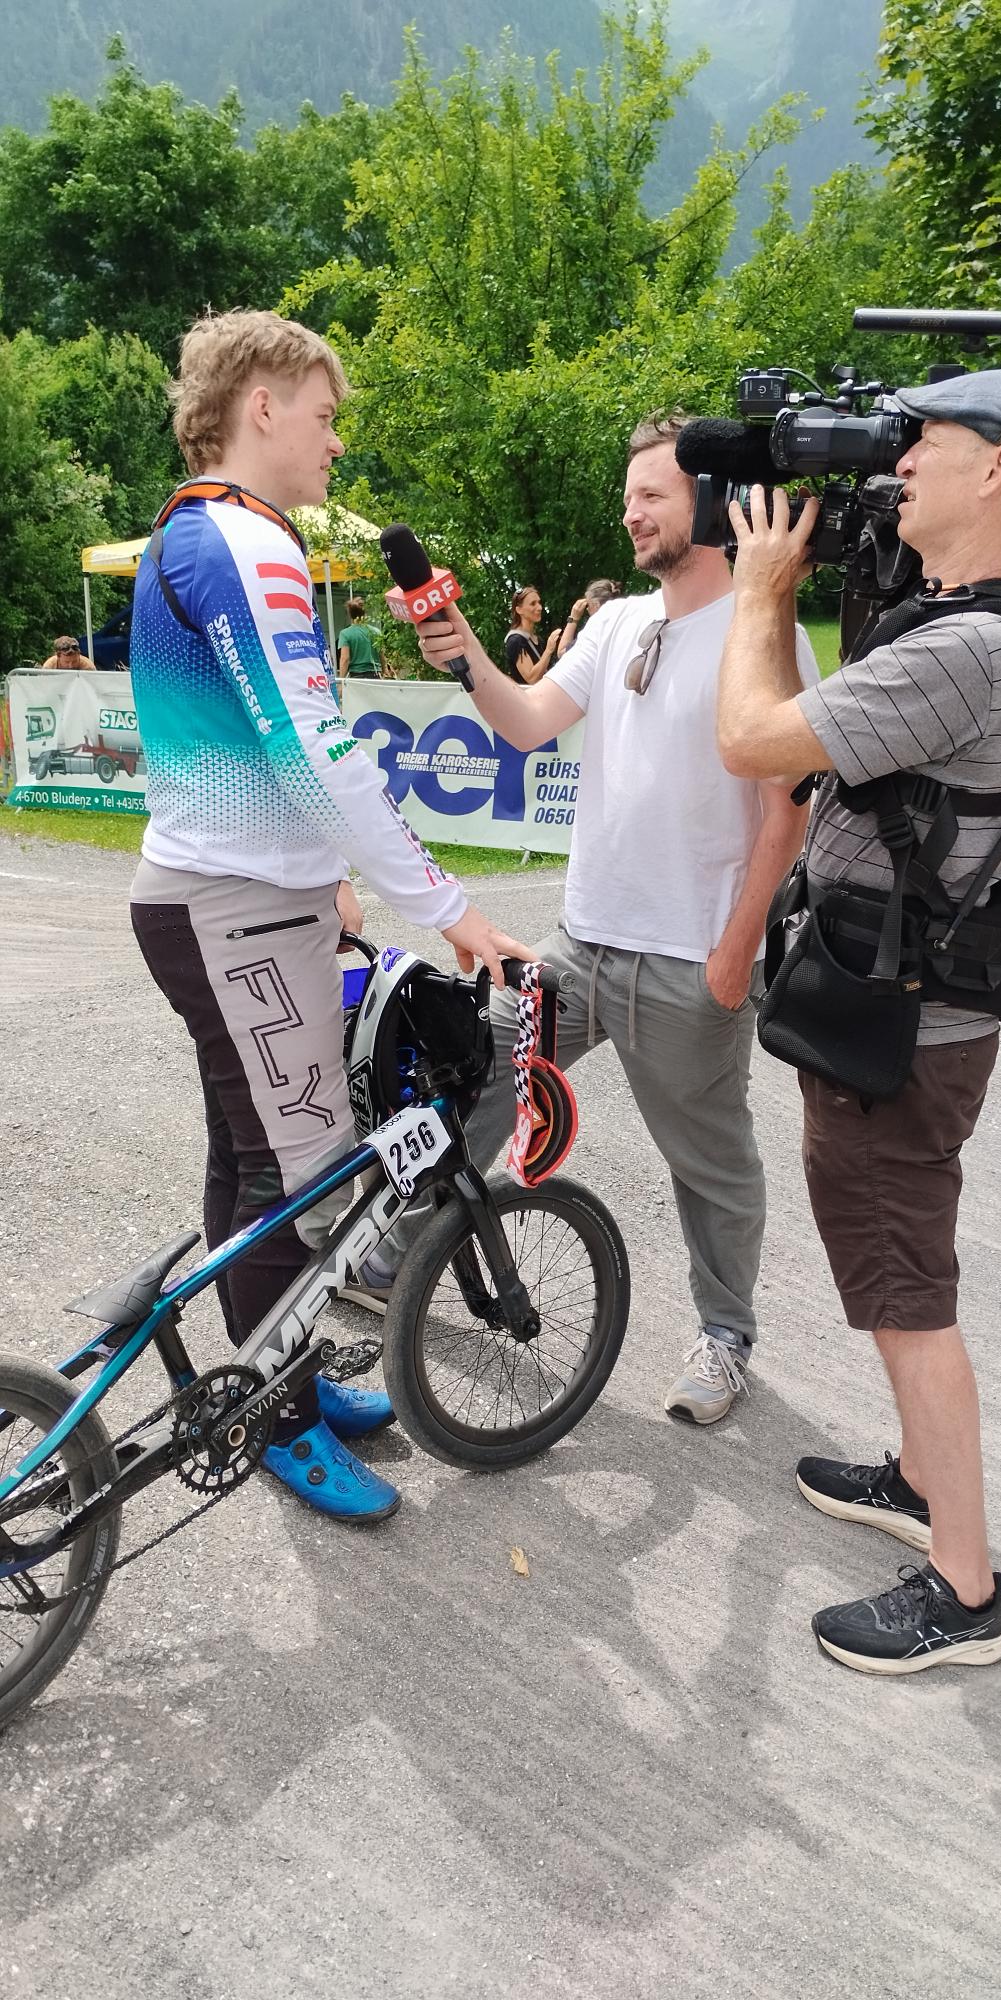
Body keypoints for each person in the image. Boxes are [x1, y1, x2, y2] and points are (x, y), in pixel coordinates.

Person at [127, 308, 527, 1527]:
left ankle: (276, 1369)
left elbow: (272, 744)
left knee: (252, 1156)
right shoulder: (244, 541)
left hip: (234, 897)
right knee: (291, 1173)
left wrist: (325, 878)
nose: (336, 440)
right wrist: (448, 909)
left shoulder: (209, 531)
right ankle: (274, 1413)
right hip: (231, 909)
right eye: (324, 412)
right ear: (261, 405)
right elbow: (318, 749)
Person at [715, 366, 1001, 1672]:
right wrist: (784, 595)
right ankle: (922, 1482)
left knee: (906, 1290)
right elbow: (800, 740)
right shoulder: (967, 627)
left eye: (928, 437)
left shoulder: (971, 650)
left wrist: (756, 591)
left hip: (899, 1029)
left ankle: (963, 1590)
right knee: (891, 1269)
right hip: (898, 1005)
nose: (900, 458)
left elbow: (749, 740)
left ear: (1000, 465)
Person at [371, 410, 818, 1425]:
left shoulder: (766, 634)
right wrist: (463, 651)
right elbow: (528, 722)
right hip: (578, 945)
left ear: (712, 503)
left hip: (688, 961)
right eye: (628, 496)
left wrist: (734, 955)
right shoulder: (618, 624)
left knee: (709, 1162)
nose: (630, 513)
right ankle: (396, 1252)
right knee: (474, 1065)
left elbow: (783, 816)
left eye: (652, 494)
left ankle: (725, 1336)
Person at [503, 586, 569, 683]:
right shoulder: (516, 641)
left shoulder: (537, 639)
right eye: (533, 604)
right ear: (519, 610)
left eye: (539, 603)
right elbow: (531, 678)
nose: (539, 608)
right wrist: (548, 650)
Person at [557, 577, 623, 657]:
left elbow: (562, 653)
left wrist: (573, 618)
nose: (587, 609)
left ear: (596, 605)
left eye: (588, 604)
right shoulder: (623, 624)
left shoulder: (595, 631)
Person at [336, 595, 381, 679]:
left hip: (356, 676)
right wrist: (385, 670)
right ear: (365, 613)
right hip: (375, 675)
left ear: (350, 615)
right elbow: (382, 655)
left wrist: (341, 680)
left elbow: (345, 659)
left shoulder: (345, 634)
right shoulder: (376, 632)